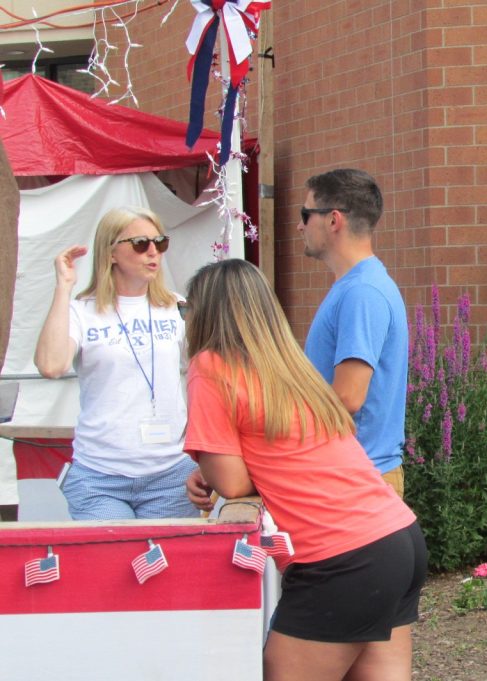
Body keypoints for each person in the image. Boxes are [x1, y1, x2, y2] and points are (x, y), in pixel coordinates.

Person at [183, 259, 426, 681]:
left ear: (203, 315)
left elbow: (233, 481)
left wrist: (212, 461)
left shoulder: (209, 367)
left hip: (340, 557)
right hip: (398, 537)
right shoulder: (292, 368)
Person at [33, 207, 197, 520]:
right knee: (110, 566)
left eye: (160, 243)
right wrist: (63, 287)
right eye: (140, 244)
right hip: (100, 474)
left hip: (170, 471)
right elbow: (51, 366)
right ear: (111, 253)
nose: (153, 252)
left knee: (167, 567)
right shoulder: (83, 310)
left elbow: (206, 372)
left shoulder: (176, 306)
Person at [298, 168, 408, 495]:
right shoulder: (358, 287)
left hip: (355, 483)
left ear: (333, 220)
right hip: (353, 478)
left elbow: (347, 397)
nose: (300, 225)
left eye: (306, 214)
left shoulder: (362, 293)